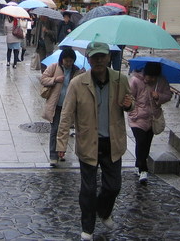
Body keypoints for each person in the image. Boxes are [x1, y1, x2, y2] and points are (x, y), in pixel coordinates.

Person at [56, 42, 134, 241]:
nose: (99, 60)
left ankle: (104, 210)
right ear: (88, 59)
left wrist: (129, 105)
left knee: (113, 186)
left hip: (112, 142)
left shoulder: (120, 79)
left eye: (102, 56)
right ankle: (87, 228)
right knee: (88, 190)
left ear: (108, 57)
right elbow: (66, 114)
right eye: (94, 57)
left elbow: (129, 104)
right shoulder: (77, 83)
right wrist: (61, 144)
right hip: (88, 142)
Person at [128, 62, 172, 184]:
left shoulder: (161, 82)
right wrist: (133, 113)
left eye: (154, 77)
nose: (151, 79)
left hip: (153, 118)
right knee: (141, 141)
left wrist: (159, 96)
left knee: (146, 144)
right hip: (138, 118)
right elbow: (129, 97)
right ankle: (143, 170)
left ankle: (138, 163)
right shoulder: (135, 81)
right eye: (149, 76)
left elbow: (168, 95)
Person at [40, 47, 83, 166]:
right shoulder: (54, 67)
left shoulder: (77, 71)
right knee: (55, 130)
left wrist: (82, 75)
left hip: (69, 107)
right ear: (62, 59)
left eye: (70, 61)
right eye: (66, 61)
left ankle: (61, 152)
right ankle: (53, 155)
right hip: (56, 105)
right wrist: (55, 79)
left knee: (64, 131)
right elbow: (43, 79)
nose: (68, 63)